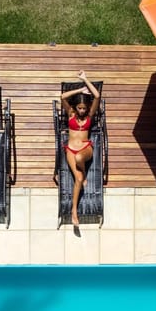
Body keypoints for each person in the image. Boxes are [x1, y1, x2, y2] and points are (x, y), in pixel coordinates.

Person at [60, 71, 100, 226]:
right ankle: (74, 211)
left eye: (84, 108)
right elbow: (63, 97)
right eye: (80, 108)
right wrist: (79, 90)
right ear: (75, 107)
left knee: (79, 160)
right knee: (78, 179)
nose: (82, 110)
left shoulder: (90, 114)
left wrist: (85, 80)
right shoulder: (70, 113)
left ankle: (83, 171)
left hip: (85, 149)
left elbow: (96, 96)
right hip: (70, 149)